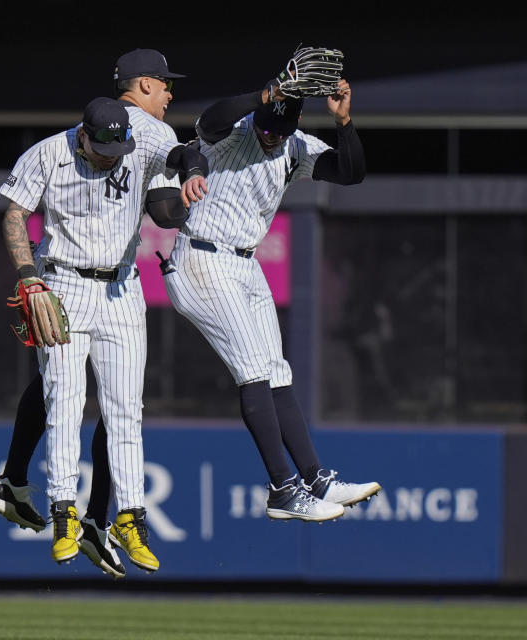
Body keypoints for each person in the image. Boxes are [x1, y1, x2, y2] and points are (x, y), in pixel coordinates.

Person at [0, 92, 207, 575]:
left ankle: (129, 517)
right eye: (104, 149)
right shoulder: (49, 152)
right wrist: (30, 277)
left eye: (121, 149)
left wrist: (193, 172)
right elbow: (13, 215)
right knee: (65, 400)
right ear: (83, 135)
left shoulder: (138, 146)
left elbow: (185, 154)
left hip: (123, 285)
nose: (114, 158)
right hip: (64, 282)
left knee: (125, 410)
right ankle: (64, 510)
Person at [160, 67, 381, 521]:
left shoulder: (293, 144)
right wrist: (267, 95)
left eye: (279, 131)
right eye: (266, 127)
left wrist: (343, 123)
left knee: (276, 373)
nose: (270, 137)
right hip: (203, 258)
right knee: (253, 373)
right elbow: (211, 117)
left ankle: (316, 478)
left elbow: (351, 172)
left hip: (245, 263)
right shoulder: (234, 129)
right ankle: (282, 489)